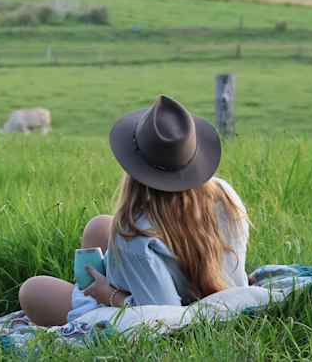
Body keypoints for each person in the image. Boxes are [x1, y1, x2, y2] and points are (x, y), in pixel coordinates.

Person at [18, 95, 249, 327]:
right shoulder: (225, 195)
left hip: (162, 309)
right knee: (99, 226)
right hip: (216, 290)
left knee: (33, 291)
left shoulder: (135, 234)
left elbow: (164, 316)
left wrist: (107, 294)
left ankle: (91, 299)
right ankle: (105, 284)